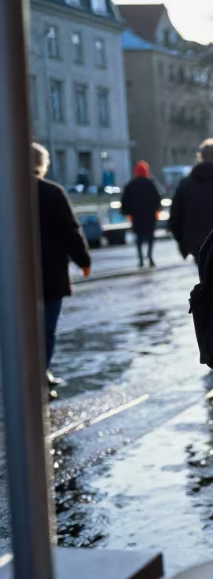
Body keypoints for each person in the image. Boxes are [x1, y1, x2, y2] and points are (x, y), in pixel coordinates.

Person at [33, 143, 91, 399]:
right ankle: (40, 376)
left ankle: (28, 375)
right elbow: (70, 231)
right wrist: (83, 260)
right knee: (46, 330)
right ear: (42, 164)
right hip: (49, 274)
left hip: (13, 277)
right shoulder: (51, 192)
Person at [120, 160, 163, 268]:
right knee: (150, 237)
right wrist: (156, 210)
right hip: (150, 216)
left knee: (138, 238)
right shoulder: (151, 184)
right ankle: (150, 256)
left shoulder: (131, 185)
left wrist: (128, 212)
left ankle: (140, 259)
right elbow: (157, 199)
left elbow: (125, 201)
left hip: (136, 217)